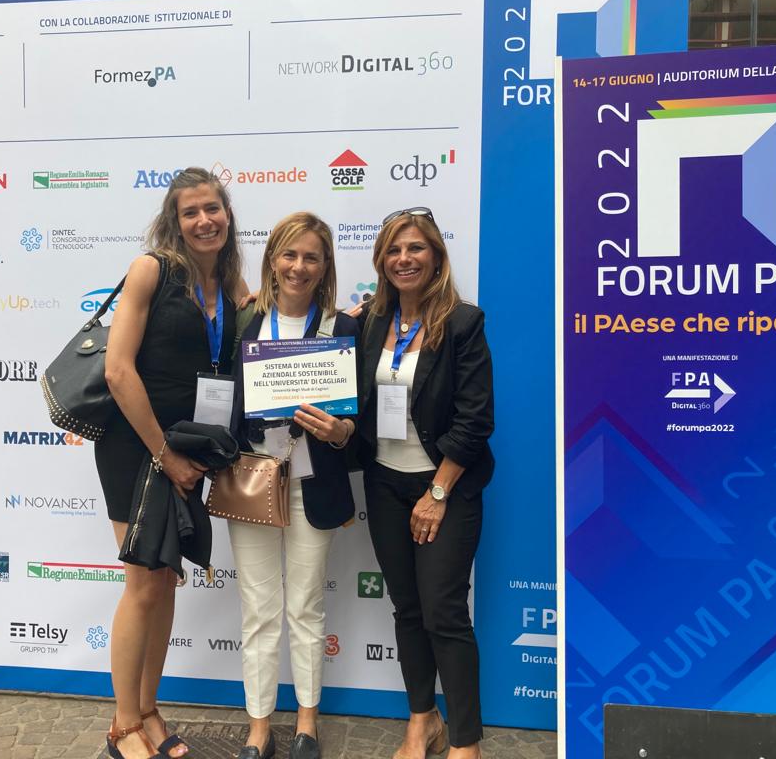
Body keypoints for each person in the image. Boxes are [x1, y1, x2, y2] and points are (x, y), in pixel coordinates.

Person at [96, 167, 247, 759]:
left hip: (186, 448)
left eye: (213, 208)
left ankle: (149, 710)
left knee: (166, 581)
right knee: (142, 582)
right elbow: (117, 370)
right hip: (137, 445)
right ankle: (122, 726)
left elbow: (274, 325)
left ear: (227, 215)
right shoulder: (151, 270)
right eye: (191, 212)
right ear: (175, 221)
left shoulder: (230, 284)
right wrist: (165, 454)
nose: (205, 220)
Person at [355, 208, 494, 759]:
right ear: (381, 262)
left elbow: (476, 420)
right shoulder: (369, 323)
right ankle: (422, 721)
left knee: (444, 612)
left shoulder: (462, 323)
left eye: (415, 248)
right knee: (407, 608)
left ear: (436, 256)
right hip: (384, 483)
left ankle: (465, 742)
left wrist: (436, 494)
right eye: (393, 250)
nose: (404, 259)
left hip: (445, 488)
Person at [228, 212, 359, 759]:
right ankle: (259, 727)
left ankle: (307, 723)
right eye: (289, 254)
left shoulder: (342, 328)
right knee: (258, 609)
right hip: (255, 479)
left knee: (305, 605)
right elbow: (225, 401)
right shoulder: (245, 321)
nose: (299, 267)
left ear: (325, 266)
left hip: (314, 481)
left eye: (311, 257)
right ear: (272, 259)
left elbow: (359, 422)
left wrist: (341, 430)